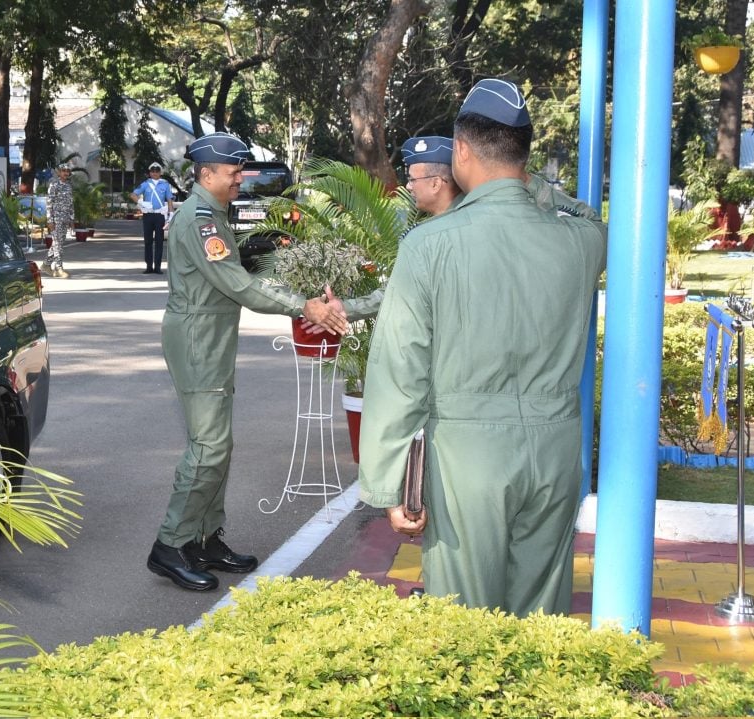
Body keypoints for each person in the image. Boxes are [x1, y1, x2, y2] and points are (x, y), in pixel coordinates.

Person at [357, 78, 608, 617]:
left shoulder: (428, 245)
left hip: (467, 460)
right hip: (555, 451)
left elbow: (399, 372)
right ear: (525, 156)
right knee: (542, 619)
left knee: (466, 623)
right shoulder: (581, 243)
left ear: (462, 152)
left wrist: (389, 483)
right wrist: (530, 184)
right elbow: (590, 217)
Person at [147, 132, 349, 592]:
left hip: (210, 338)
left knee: (219, 443)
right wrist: (304, 305)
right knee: (209, 446)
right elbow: (238, 284)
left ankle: (204, 537)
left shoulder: (213, 214)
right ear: (206, 174)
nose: (241, 179)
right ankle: (171, 544)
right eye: (234, 172)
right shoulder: (201, 220)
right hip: (199, 341)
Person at [340, 135, 461, 323]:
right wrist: (346, 308)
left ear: (436, 183)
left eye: (412, 180)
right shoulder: (428, 231)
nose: (408, 186)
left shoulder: (453, 233)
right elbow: (398, 288)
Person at [130, 162, 175, 274]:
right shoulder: (145, 184)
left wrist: (171, 214)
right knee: (148, 241)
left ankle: (158, 267)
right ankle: (149, 266)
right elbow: (133, 195)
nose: (155, 173)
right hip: (148, 215)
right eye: (153, 171)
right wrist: (141, 202)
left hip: (160, 215)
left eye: (157, 171)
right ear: (150, 173)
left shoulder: (165, 185)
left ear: (160, 172)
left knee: (159, 241)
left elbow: (169, 200)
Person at [44, 162, 75, 278]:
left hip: (65, 219)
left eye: (67, 171)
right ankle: (58, 268)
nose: (66, 173)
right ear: (59, 172)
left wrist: (72, 219)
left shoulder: (68, 186)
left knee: (59, 244)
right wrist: (50, 220)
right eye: (64, 171)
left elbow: (71, 204)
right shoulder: (54, 185)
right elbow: (49, 203)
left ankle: (46, 265)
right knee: (57, 243)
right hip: (56, 219)